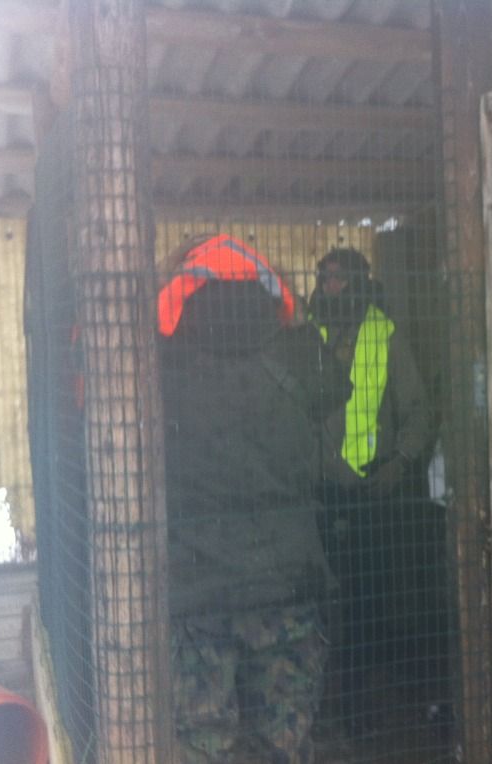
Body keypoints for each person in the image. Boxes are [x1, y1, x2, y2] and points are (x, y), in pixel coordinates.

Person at [159, 234, 350, 763]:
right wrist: (296, 322)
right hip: (285, 583)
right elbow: (336, 388)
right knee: (283, 743)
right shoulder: (290, 348)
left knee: (204, 743)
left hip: (198, 590)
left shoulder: (160, 357)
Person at [307, 247, 438, 736]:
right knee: (316, 604)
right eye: (325, 277)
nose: (330, 286)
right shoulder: (307, 335)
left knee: (369, 606)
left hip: (371, 494)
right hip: (319, 494)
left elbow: (419, 409)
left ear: (360, 283)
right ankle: (316, 710)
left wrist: (401, 461)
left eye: (339, 278)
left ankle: (359, 712)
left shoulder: (386, 335)